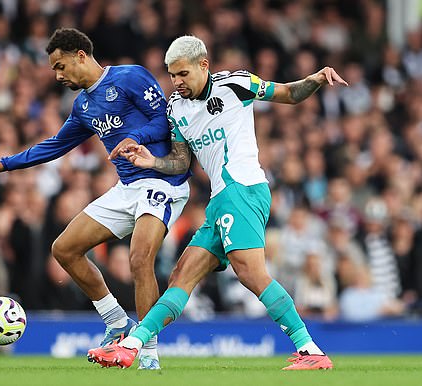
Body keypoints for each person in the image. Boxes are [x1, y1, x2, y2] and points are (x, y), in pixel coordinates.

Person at [88, 35, 348, 370]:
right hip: (220, 199)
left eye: (183, 74)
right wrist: (151, 162)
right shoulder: (176, 109)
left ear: (203, 65)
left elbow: (287, 93)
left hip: (242, 187)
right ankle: (132, 346)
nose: (177, 82)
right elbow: (182, 162)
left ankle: (309, 349)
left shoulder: (237, 84)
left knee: (250, 271)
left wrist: (313, 79)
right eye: (172, 75)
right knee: (182, 274)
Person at [0, 28, 190, 369]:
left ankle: (148, 352)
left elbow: (164, 122)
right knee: (64, 249)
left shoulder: (130, 76)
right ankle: (117, 322)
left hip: (162, 180)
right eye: (53, 70)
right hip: (127, 188)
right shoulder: (83, 106)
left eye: (60, 66)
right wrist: (5, 163)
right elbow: (55, 145)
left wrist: (135, 137)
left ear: (80, 55)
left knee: (139, 258)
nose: (58, 75)